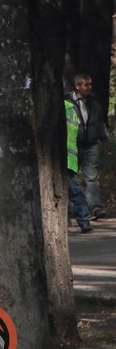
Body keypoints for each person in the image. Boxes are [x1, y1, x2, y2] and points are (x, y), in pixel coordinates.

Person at [70, 73, 107, 220]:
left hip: (91, 145)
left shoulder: (95, 104)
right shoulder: (67, 102)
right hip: (73, 146)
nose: (89, 87)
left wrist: (104, 139)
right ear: (77, 86)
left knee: (91, 177)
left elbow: (99, 124)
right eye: (86, 85)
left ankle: (95, 207)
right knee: (71, 177)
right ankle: (73, 208)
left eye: (90, 84)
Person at [66, 89, 93, 232]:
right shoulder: (72, 107)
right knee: (74, 189)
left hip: (61, 156)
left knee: (73, 188)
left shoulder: (61, 108)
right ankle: (84, 220)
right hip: (71, 155)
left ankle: (83, 219)